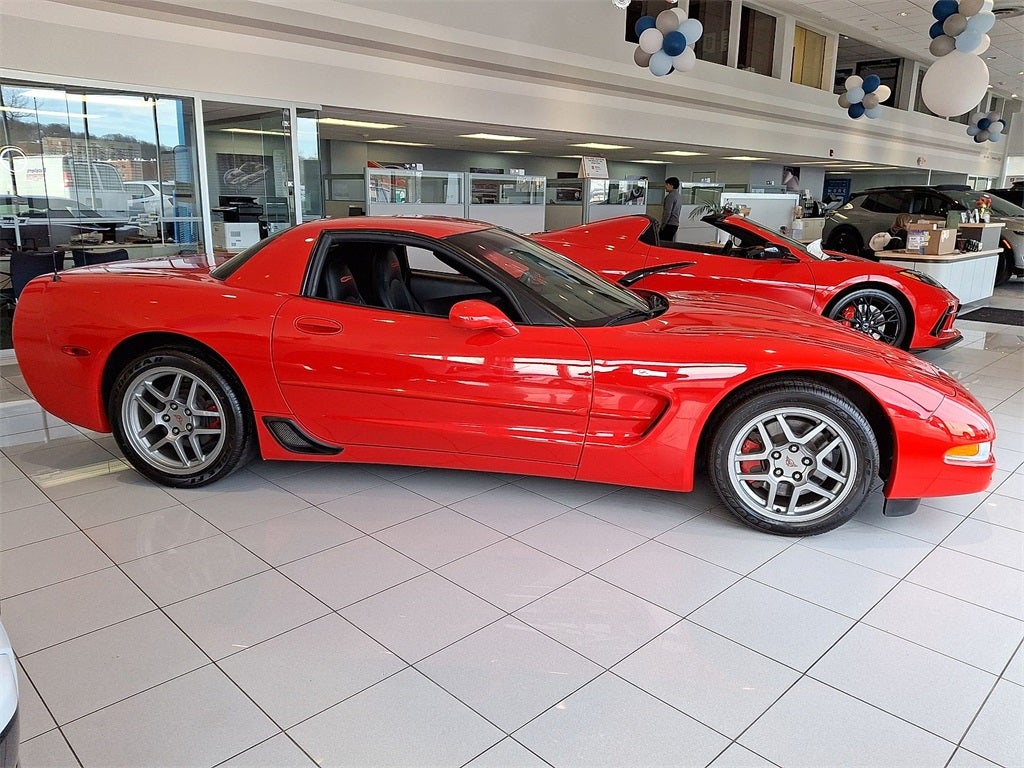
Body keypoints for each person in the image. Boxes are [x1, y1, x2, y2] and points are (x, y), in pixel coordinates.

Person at [660, 177, 681, 242]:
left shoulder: (670, 196)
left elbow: (667, 212)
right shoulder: (678, 195)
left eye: (667, 184)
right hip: (675, 225)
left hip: (669, 224)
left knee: (662, 243)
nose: (665, 186)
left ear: (671, 186)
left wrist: (663, 224)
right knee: (669, 243)